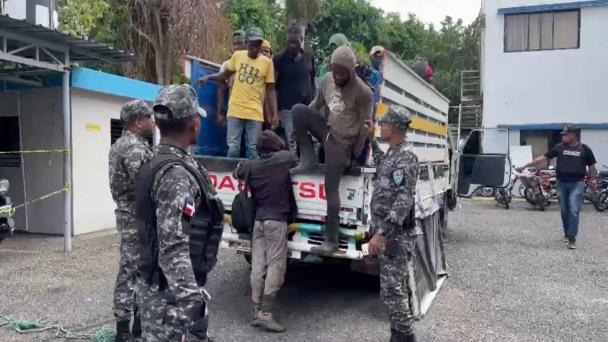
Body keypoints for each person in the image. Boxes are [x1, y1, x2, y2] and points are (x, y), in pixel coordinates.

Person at [135, 85, 224, 341]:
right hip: (168, 295)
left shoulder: (158, 162)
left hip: (161, 287)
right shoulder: (175, 175)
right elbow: (173, 245)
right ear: (194, 124)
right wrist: (191, 303)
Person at [291, 45, 373, 255]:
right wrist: (301, 126)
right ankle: (307, 158)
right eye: (334, 70)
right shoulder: (327, 79)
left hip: (343, 143)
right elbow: (317, 103)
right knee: (298, 111)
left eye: (342, 72)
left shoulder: (364, 93)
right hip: (328, 131)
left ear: (351, 70)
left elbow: (365, 128)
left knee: (331, 187)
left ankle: (331, 239)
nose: (337, 75)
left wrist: (355, 155)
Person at [234, 130, 298, 333]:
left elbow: (238, 172)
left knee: (257, 265)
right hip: (276, 221)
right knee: (276, 265)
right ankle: (267, 314)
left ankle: (255, 310)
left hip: (258, 222)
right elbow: (293, 156)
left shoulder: (252, 165)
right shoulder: (284, 159)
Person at [367, 105, 419, 342]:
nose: (381, 127)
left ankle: (404, 336)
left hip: (395, 236)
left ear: (395, 128)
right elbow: (382, 166)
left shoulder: (407, 158)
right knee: (395, 288)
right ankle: (398, 334)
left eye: (384, 124)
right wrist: (371, 142)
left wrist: (382, 234)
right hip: (389, 233)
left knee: (392, 290)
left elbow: (403, 199)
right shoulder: (392, 154)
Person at [108, 99, 155, 341]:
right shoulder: (133, 148)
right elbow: (145, 185)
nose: (153, 122)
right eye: (149, 117)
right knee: (131, 271)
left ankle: (134, 327)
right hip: (135, 218)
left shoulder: (126, 143)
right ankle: (124, 332)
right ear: (138, 121)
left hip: (132, 216)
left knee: (137, 270)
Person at [198, 27, 278, 159]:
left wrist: (274, 114)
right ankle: (234, 178)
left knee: (253, 149)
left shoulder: (267, 63)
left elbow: (270, 90)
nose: (255, 47)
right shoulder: (237, 57)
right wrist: (208, 77)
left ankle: (251, 178)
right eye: (252, 43)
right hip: (235, 110)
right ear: (246, 43)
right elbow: (224, 75)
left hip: (255, 112)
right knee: (233, 148)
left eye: (258, 44)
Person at [516, 124, 597, 249]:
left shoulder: (585, 149)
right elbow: (543, 158)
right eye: (563, 134)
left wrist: (592, 179)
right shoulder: (559, 147)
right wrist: (525, 165)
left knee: (574, 210)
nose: (563, 137)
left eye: (565, 134)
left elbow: (591, 165)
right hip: (561, 183)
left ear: (573, 135)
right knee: (564, 209)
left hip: (577, 183)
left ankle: (572, 239)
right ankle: (567, 232)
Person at [273, 26, 316, 151]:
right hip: (287, 109)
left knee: (306, 139)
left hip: (306, 108)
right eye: (290, 42)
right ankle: (294, 166)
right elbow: (273, 87)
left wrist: (313, 103)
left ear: (301, 41)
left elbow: (312, 80)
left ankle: (306, 165)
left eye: (295, 42)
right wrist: (276, 111)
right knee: (292, 141)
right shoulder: (278, 59)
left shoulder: (309, 58)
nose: (292, 45)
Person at [216, 30, 247, 127]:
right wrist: (219, 112)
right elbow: (220, 89)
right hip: (234, 112)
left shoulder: (255, 63)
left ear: (246, 44)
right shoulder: (227, 65)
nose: (236, 47)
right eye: (234, 44)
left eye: (240, 43)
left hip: (252, 112)